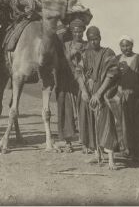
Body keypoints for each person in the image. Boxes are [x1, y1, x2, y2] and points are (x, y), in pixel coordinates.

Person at [106, 35, 139, 162]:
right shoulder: (117, 59)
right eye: (123, 46)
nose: (125, 48)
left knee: (134, 125)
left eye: (128, 45)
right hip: (119, 96)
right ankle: (123, 150)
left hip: (134, 97)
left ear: (132, 45)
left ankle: (136, 152)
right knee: (119, 123)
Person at [84, 26, 119, 169]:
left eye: (96, 39)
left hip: (103, 93)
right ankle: (97, 154)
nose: (94, 42)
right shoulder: (85, 54)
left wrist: (99, 93)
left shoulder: (108, 53)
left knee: (106, 123)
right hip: (90, 93)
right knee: (92, 124)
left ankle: (111, 159)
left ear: (100, 38)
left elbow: (111, 75)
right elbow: (80, 73)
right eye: (91, 40)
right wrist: (86, 92)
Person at [57, 18, 87, 153]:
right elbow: (60, 63)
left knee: (84, 109)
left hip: (83, 81)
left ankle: (86, 141)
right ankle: (68, 141)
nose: (78, 34)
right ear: (71, 32)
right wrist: (70, 56)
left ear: (83, 32)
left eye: (80, 32)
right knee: (67, 109)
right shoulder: (66, 45)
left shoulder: (88, 45)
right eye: (75, 32)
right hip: (67, 80)